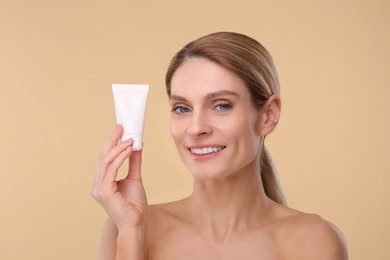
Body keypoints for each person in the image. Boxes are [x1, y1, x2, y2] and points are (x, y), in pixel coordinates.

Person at [91, 31, 348, 260]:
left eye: (221, 105)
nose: (195, 127)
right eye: (182, 108)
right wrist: (131, 233)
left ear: (268, 115)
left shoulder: (312, 240)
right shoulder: (127, 227)